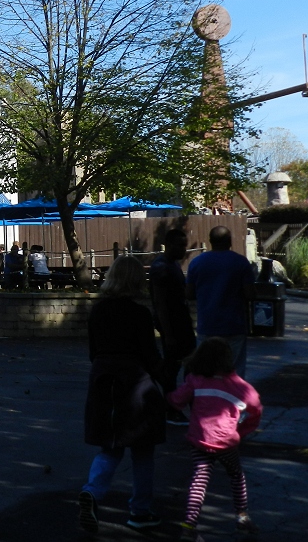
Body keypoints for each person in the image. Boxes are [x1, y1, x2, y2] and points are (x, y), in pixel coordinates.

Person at [79, 255, 165, 535]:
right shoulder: (140, 314)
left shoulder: (99, 311)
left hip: (103, 379)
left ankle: (92, 492)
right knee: (142, 450)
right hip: (135, 382)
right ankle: (140, 511)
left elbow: (94, 351)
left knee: (110, 445)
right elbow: (150, 356)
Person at [168, 337, 262, 541]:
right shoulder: (240, 387)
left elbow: (176, 401)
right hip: (226, 442)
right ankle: (242, 516)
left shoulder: (195, 379)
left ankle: (189, 524)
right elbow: (256, 409)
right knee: (236, 475)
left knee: (199, 479)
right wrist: (242, 431)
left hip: (199, 439)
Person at [186, 226, 256, 377]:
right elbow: (250, 294)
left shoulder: (196, 263)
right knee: (234, 370)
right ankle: (233, 399)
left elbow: (189, 294)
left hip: (207, 325)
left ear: (210, 241)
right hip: (234, 325)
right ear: (230, 241)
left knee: (205, 370)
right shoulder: (241, 263)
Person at [149, 229, 196, 425]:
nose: (183, 249)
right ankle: (171, 407)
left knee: (184, 364)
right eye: (179, 245)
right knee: (173, 367)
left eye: (184, 245)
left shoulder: (172, 265)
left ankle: (178, 404)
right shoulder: (162, 268)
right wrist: (167, 333)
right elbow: (160, 303)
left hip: (180, 322)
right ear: (168, 244)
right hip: (173, 324)